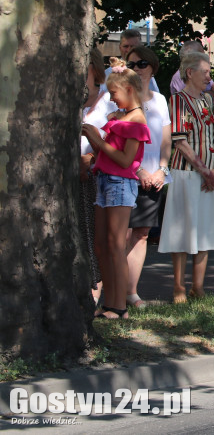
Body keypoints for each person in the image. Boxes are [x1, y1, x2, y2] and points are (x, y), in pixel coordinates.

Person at [160, 51, 214, 302]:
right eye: (205, 71)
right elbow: (179, 141)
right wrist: (204, 170)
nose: (209, 77)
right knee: (182, 231)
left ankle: (198, 287)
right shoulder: (177, 101)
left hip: (211, 174)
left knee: (205, 229)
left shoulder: (209, 101)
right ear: (189, 72)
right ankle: (179, 287)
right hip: (188, 174)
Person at [81, 58, 151, 319]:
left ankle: (120, 306)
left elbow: (125, 160)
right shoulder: (123, 117)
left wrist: (98, 140)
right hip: (104, 180)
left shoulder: (137, 120)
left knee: (114, 244)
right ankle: (110, 303)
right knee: (101, 244)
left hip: (121, 183)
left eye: (114, 93)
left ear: (129, 90)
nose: (111, 99)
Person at [124, 45, 172, 308]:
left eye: (142, 64)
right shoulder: (118, 99)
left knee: (141, 234)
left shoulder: (160, 100)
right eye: (132, 64)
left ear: (152, 67)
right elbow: (117, 142)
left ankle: (131, 293)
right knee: (121, 235)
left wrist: (162, 170)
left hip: (155, 176)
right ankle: (108, 293)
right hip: (126, 174)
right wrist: (138, 170)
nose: (137, 69)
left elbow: (166, 140)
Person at [80, 48, 117, 300]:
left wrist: (91, 157)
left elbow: (114, 143)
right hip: (63, 178)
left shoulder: (108, 101)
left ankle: (95, 295)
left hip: (93, 176)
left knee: (94, 236)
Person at [169, 40, 214, 106]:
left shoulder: (202, 74)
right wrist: (211, 93)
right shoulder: (179, 77)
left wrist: (203, 93)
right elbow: (191, 102)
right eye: (201, 55)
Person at [104, 28, 158, 93]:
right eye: (126, 46)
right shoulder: (109, 73)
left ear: (141, 47)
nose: (129, 49)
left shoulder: (145, 71)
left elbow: (154, 96)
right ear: (120, 47)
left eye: (133, 46)